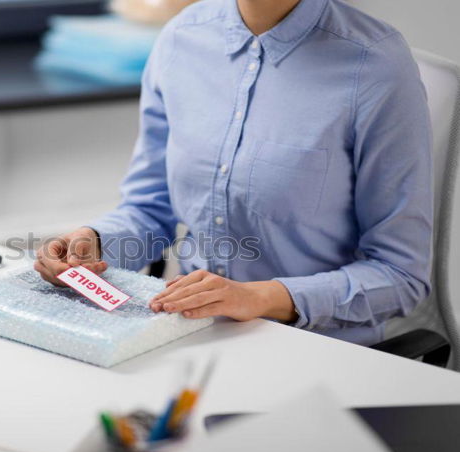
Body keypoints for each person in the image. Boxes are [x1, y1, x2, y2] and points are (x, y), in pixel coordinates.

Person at [34, 0, 433, 346]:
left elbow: (400, 276)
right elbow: (148, 210)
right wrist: (93, 248)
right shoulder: (181, 38)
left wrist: (261, 297)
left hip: (319, 350)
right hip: (188, 333)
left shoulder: (375, 64)